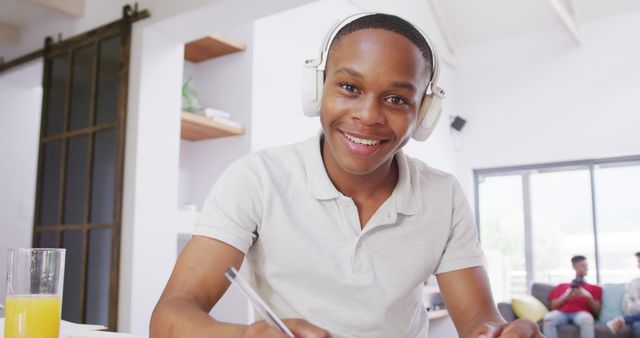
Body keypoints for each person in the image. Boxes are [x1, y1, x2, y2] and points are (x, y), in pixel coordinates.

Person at [150, 13, 542, 338]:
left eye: (396, 99)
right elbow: (169, 317)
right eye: (350, 87)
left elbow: (479, 322)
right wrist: (248, 335)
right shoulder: (257, 178)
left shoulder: (443, 194)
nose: (368, 116)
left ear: (423, 114)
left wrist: (499, 333)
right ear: (316, 89)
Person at [543, 255, 602, 338]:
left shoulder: (595, 288)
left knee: (587, 319)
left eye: (586, 265)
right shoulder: (562, 286)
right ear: (574, 267)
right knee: (548, 318)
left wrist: (587, 296)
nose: (586, 268)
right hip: (562, 313)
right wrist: (566, 295)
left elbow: (597, 311)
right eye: (583, 266)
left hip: (582, 314)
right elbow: (553, 306)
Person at [606, 251, 640, 337]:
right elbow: (629, 308)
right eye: (639, 262)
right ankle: (624, 320)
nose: (638, 265)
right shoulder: (633, 284)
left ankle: (623, 320)